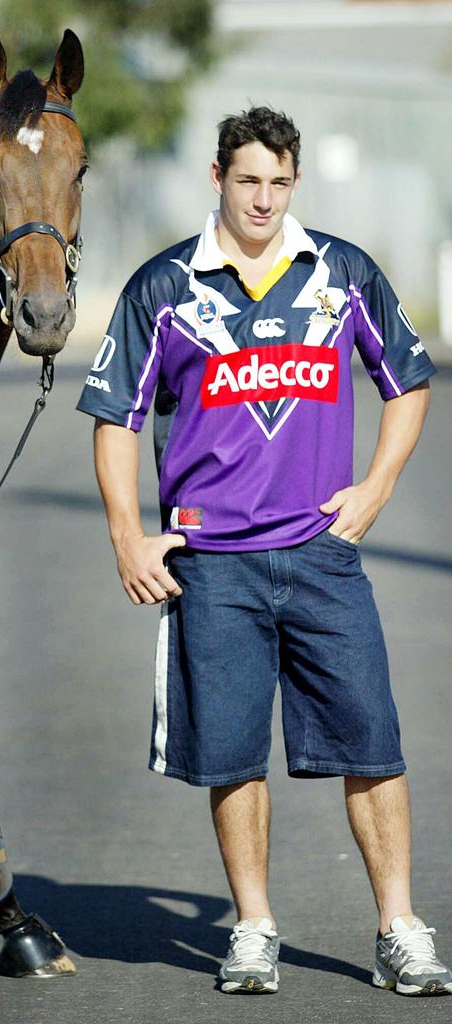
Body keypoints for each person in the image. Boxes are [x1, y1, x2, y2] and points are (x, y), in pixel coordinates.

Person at [76, 106, 450, 996]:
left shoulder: (343, 272)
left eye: (280, 182)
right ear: (217, 177)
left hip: (322, 557)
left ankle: (400, 927)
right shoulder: (164, 287)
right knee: (235, 755)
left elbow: (410, 382)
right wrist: (129, 536)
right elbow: (114, 420)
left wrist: (376, 488)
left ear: (294, 183)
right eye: (248, 180)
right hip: (215, 568)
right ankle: (253, 928)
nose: (264, 198)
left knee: (373, 744)